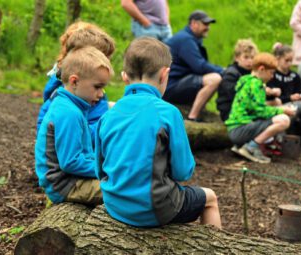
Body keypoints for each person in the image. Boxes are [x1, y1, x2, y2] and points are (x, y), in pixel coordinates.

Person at [95, 37, 221, 229]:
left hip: (113, 203)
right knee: (210, 198)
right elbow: (183, 171)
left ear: (124, 77)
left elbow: (99, 169)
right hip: (152, 208)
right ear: (164, 75)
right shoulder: (168, 113)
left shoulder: (108, 114)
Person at [35, 46, 114, 205]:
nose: (101, 94)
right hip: (65, 185)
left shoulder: (72, 106)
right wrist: (107, 170)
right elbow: (71, 162)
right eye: (97, 87)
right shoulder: (68, 113)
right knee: (122, 191)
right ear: (74, 81)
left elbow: (82, 153)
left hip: (71, 179)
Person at [37, 21, 115, 140]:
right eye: (102, 60)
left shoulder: (83, 92)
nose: (107, 65)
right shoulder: (65, 100)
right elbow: (82, 139)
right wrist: (111, 122)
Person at [225, 53, 296, 164]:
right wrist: (283, 110)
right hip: (239, 129)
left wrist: (277, 105)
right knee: (284, 120)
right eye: (271, 73)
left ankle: (245, 146)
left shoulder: (248, 80)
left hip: (236, 128)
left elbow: (255, 108)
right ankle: (250, 148)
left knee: (276, 103)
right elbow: (260, 111)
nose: (272, 77)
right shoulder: (256, 84)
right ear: (261, 69)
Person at [164, 10, 223, 121]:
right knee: (215, 79)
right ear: (194, 23)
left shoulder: (188, 38)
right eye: (205, 24)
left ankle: (196, 110)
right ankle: (193, 117)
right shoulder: (186, 40)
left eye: (209, 24)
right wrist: (223, 71)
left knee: (212, 76)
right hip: (171, 87)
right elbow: (199, 66)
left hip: (174, 83)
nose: (208, 27)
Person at [267, 44, 301, 148]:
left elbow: (299, 91)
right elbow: (271, 98)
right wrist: (290, 98)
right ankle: (280, 132)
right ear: (278, 59)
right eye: (286, 60)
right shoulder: (272, 75)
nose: (289, 64)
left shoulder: (294, 76)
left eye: (291, 60)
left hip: (294, 104)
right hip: (277, 105)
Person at [216, 39, 258, 122]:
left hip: (246, 108)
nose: (249, 61)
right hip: (230, 111)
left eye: (252, 58)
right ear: (237, 58)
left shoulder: (253, 73)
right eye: (246, 57)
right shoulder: (231, 74)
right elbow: (234, 94)